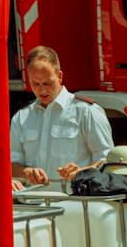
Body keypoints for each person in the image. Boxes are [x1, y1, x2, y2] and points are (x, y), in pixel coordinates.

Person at [10, 46, 114, 187]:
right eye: (35, 83)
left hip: (74, 203)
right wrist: (26, 172)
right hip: (34, 204)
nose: (42, 89)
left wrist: (81, 172)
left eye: (47, 83)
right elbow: (10, 166)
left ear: (60, 76)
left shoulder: (86, 111)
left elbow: (108, 160)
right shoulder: (21, 117)